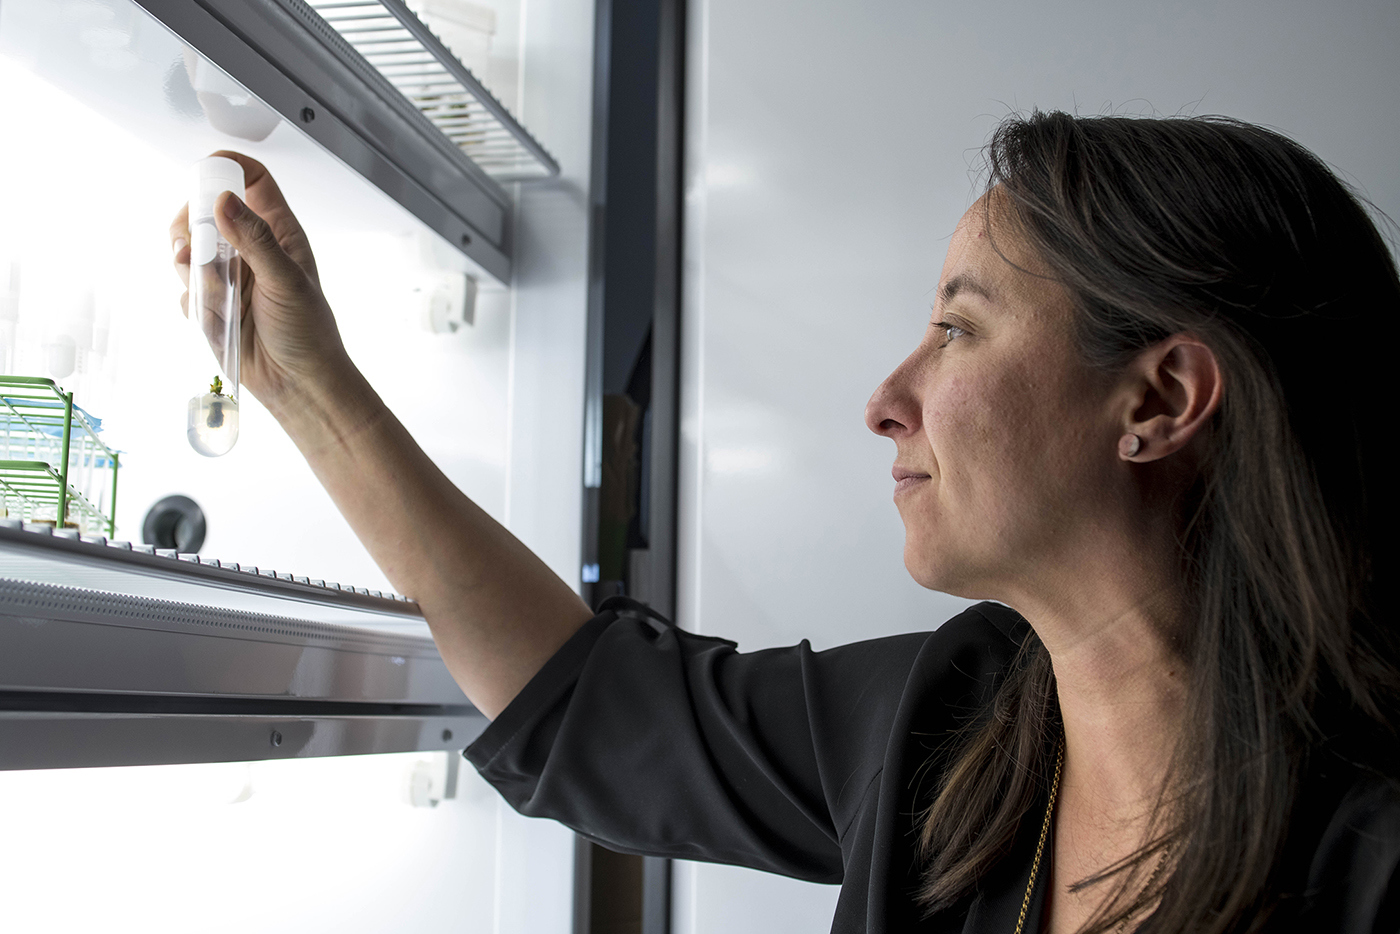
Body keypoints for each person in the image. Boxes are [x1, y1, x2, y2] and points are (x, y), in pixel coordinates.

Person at [171, 111, 1400, 933]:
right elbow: (594, 708)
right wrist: (307, 387)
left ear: (1159, 400)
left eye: (958, 328)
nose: (885, 401)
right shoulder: (954, 721)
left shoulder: (1371, 848)